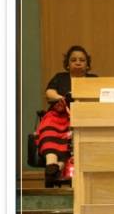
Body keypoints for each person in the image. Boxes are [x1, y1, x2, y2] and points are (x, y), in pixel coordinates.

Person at [40, 45, 97, 187]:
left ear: (87, 64)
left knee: (72, 137)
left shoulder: (93, 79)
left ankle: (56, 168)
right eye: (73, 60)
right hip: (58, 116)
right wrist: (62, 98)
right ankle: (51, 165)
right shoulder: (60, 77)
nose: (78, 62)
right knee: (50, 130)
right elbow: (49, 93)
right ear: (67, 64)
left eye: (82, 60)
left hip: (84, 117)